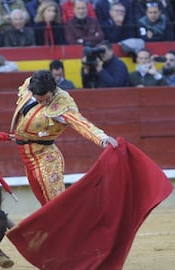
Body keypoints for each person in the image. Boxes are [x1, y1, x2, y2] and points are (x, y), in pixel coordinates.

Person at [9, 69, 117, 216]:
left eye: (47, 99)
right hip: (28, 156)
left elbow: (80, 123)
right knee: (45, 204)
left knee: (56, 205)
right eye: (39, 99)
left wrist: (102, 138)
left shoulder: (61, 103)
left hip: (45, 158)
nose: (43, 103)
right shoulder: (30, 85)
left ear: (53, 90)